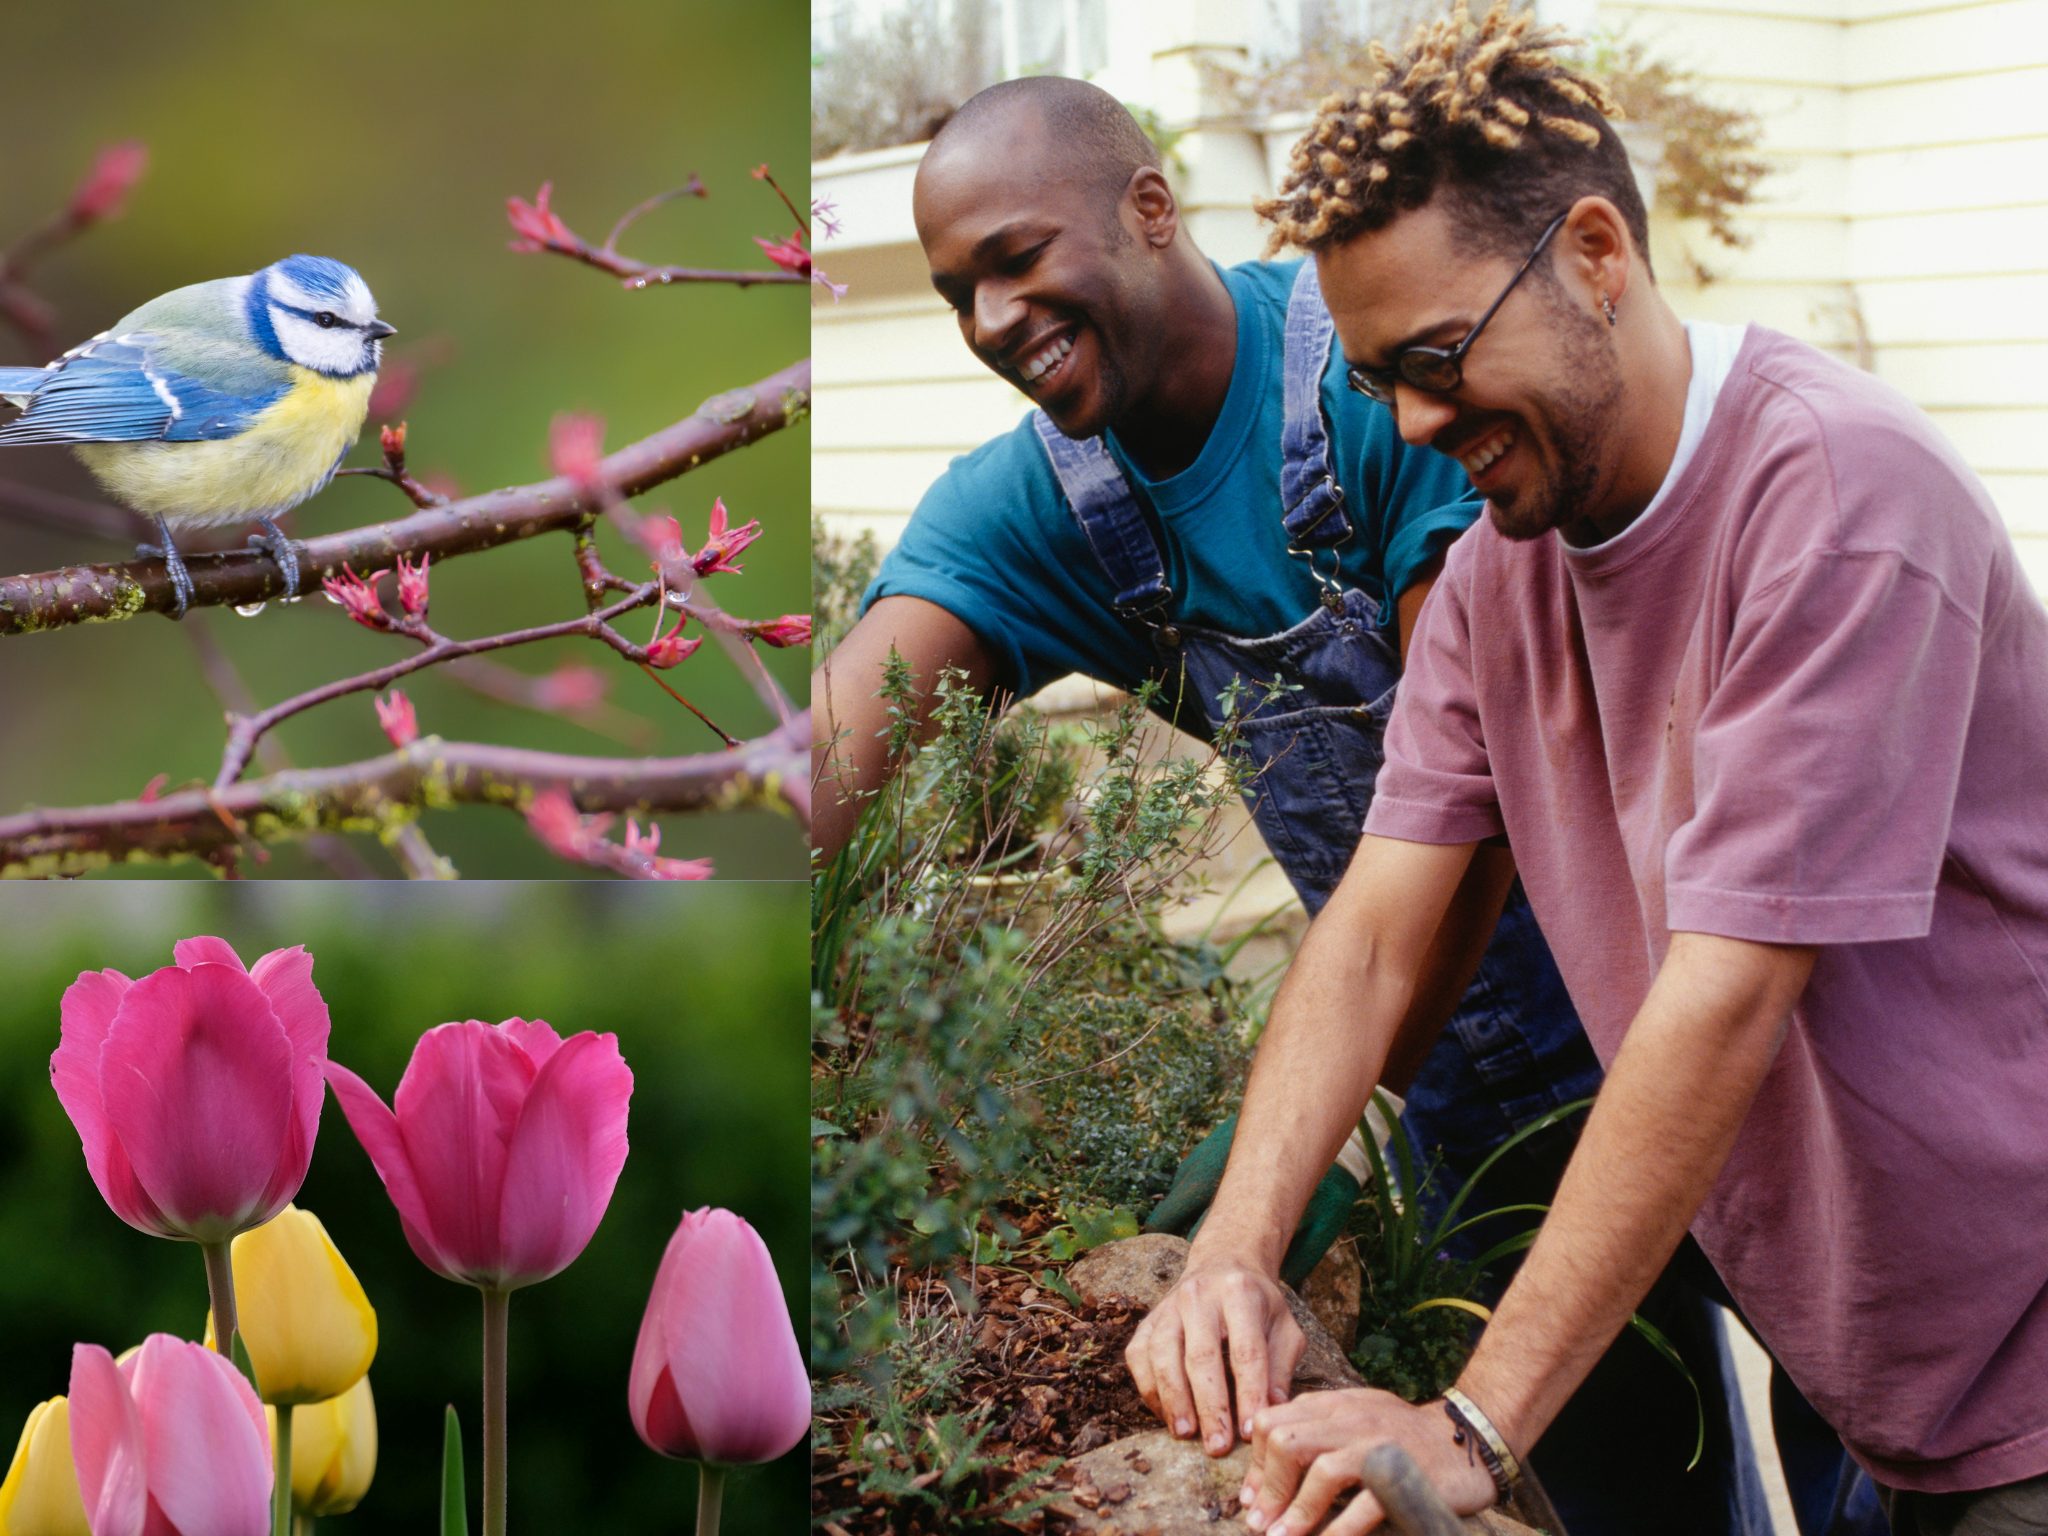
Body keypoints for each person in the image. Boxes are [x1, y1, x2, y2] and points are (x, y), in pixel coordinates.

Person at [814, 73, 1797, 1536]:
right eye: (961, 292)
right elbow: (820, 768)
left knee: (1874, 1441)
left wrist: (1300, 1163)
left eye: (1017, 259)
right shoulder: (1031, 511)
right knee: (1635, 1498)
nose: (991, 319)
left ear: (1151, 208)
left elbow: (1466, 824)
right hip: (1481, 1124)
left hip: (1709, 1028)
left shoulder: (1397, 383)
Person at [1125, 6, 2048, 1535]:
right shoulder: (1498, 579)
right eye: (1379, 382)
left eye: (1438, 358)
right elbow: (1375, 936)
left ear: (1598, 255)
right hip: (1875, 1373)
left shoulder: (1836, 500)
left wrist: (1472, 1427)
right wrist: (1235, 1250)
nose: (1418, 423)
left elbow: (1726, 991)